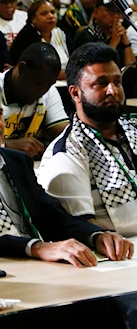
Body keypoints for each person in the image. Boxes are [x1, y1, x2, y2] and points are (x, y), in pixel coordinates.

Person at [0, 72, 133, 266]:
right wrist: (35, 247)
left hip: (36, 267)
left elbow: (52, 216)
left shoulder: (16, 161)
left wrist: (96, 235)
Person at [38, 42, 137, 237]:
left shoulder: (131, 130)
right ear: (75, 93)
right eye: (101, 83)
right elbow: (83, 228)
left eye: (117, 82)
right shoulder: (66, 153)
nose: (113, 91)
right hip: (120, 254)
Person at [0, 42, 69, 157]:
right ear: (22, 69)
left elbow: (64, 134)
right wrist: (7, 145)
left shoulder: (49, 91)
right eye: (38, 83)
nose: (42, 91)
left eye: (48, 85)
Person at [10, 0, 72, 79]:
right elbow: (33, 71)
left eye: (53, 12)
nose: (50, 16)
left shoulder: (61, 32)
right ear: (33, 19)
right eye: (44, 14)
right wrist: (67, 75)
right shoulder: (27, 36)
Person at [74, 0, 136, 68]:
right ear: (96, 12)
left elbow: (131, 68)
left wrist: (126, 44)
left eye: (118, 12)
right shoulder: (85, 35)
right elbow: (97, 68)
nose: (115, 16)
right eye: (111, 11)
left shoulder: (118, 35)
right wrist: (113, 43)